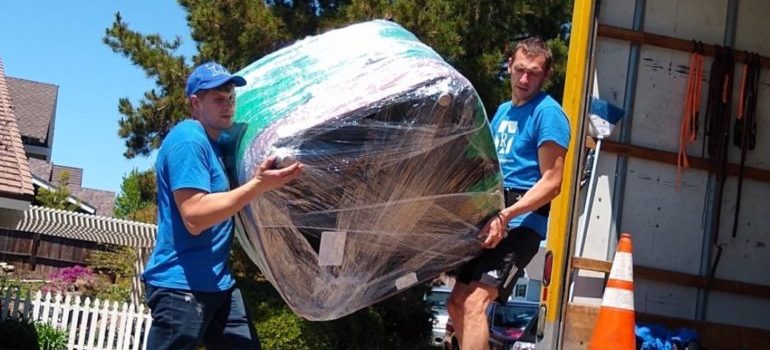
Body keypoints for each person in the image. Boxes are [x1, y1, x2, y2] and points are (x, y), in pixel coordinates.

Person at [142, 61, 304, 350]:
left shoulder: (215, 144)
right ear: (195, 102)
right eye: (218, 98)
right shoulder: (189, 139)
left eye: (231, 98)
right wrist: (258, 185)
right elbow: (195, 215)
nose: (228, 105)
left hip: (219, 285)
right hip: (181, 286)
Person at [447, 37, 570, 350]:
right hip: (490, 216)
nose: (525, 79)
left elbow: (552, 182)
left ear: (545, 76)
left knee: (475, 303)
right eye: (520, 70)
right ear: (509, 68)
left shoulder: (548, 114)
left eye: (534, 73)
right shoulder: (502, 112)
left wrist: (507, 215)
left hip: (521, 222)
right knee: (457, 304)